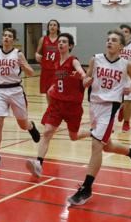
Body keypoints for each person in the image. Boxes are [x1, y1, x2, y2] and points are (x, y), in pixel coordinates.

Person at [67, 30, 131, 206]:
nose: (109, 42)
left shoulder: (125, 64)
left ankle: (86, 189)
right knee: (106, 145)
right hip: (94, 106)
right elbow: (87, 78)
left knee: (96, 146)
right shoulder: (96, 59)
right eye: (108, 39)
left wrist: (130, 89)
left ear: (121, 46)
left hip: (111, 107)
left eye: (114, 40)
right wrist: (85, 81)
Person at [27, 33, 89, 177]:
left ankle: (93, 132)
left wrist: (84, 76)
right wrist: (53, 87)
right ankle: (38, 164)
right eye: (59, 41)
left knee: (73, 136)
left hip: (72, 106)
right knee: (47, 132)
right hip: (57, 104)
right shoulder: (56, 63)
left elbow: (80, 70)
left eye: (64, 42)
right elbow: (59, 79)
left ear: (70, 46)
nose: (61, 44)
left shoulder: (73, 61)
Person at [0, 28, 40, 169]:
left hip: (16, 90)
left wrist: (24, 66)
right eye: (4, 35)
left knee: (22, 125)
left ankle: (31, 126)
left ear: (14, 40)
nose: (6, 38)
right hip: (0, 91)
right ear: (2, 38)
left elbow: (31, 73)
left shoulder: (18, 54)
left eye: (9, 36)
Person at [35, 20, 60, 105]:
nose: (52, 27)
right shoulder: (43, 39)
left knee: (58, 92)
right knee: (48, 92)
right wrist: (37, 55)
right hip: (46, 70)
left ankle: (58, 110)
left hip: (57, 70)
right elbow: (37, 53)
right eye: (50, 25)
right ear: (48, 27)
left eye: (54, 25)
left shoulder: (60, 39)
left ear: (58, 28)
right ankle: (50, 109)